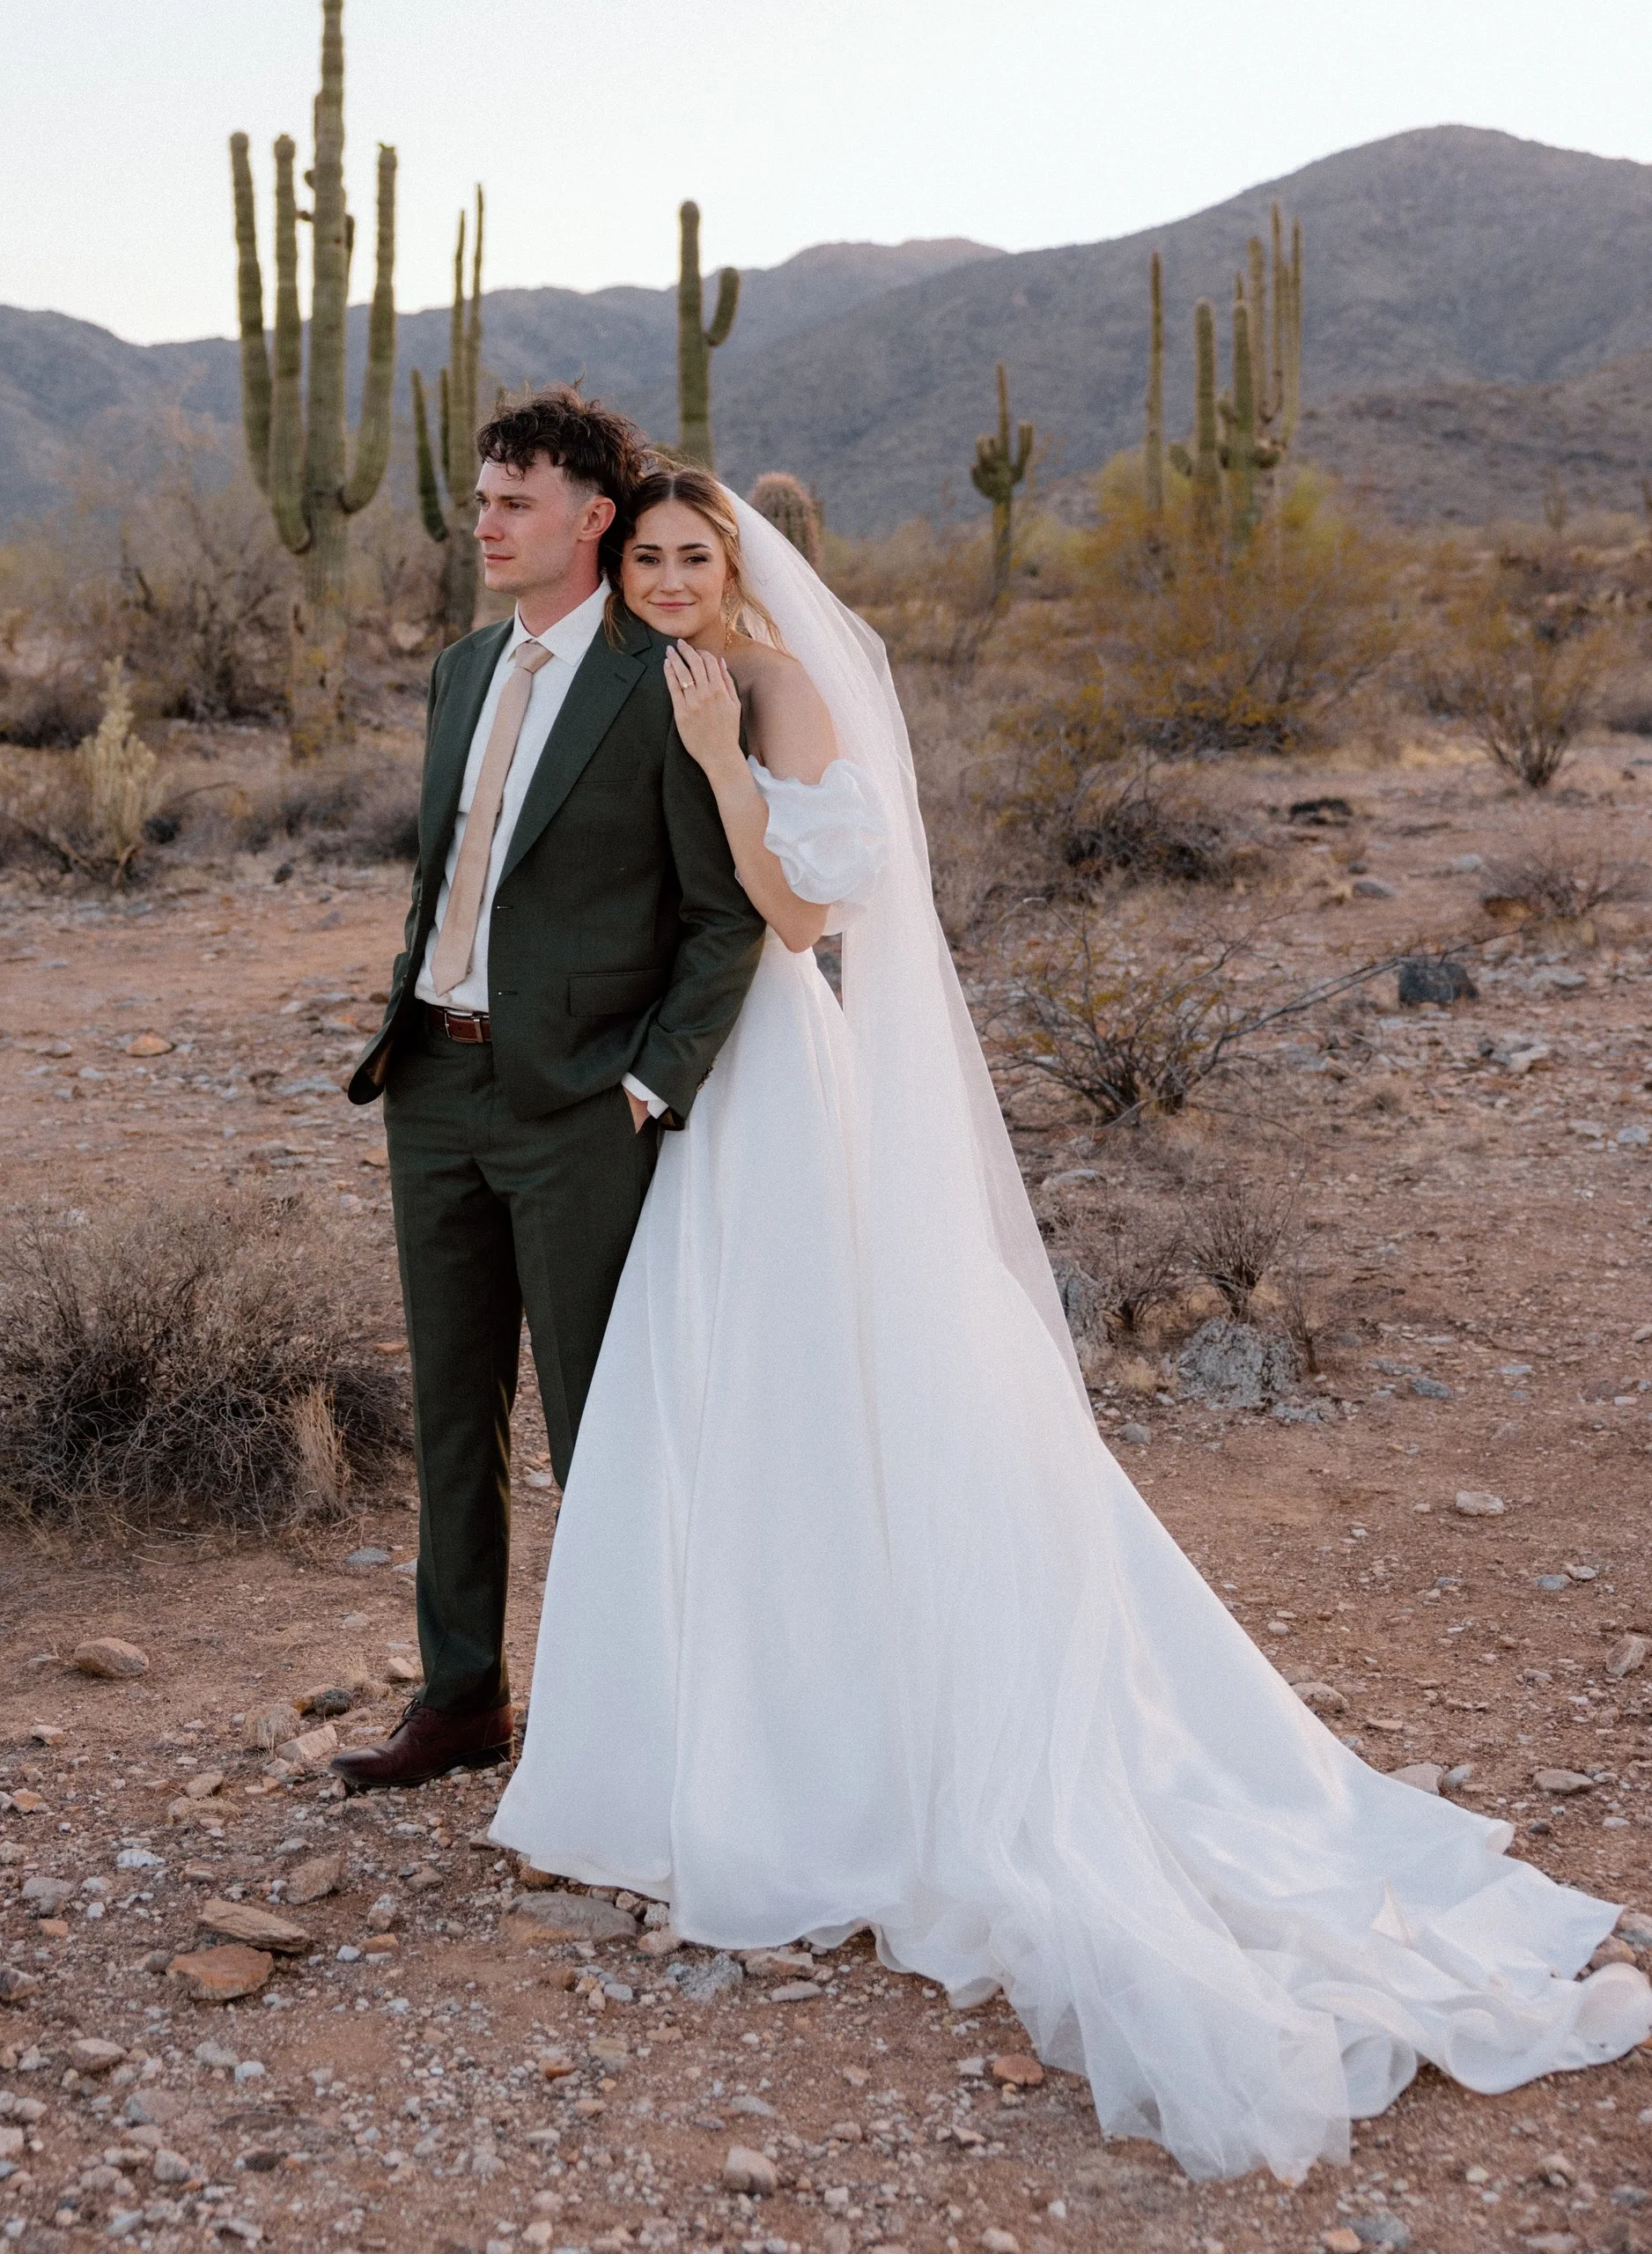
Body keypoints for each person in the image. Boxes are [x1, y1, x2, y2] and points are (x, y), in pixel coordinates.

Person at [492, 465, 1652, 2185]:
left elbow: (807, 913)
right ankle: (715, 1736)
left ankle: (839, 1754)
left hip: (787, 1087)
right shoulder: (658, 675)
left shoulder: (777, 688)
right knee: (725, 1401)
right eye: (643, 553)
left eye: (689, 553)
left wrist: (728, 765)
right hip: (716, 1092)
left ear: (730, 565)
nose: (663, 575)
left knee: (824, 1390)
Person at [337, 395, 764, 1795]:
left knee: (595, 1425)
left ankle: (622, 1721)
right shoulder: (464, 669)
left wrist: (647, 1086)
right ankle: (461, 1698)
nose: (486, 520)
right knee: (453, 1414)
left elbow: (726, 917)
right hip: (433, 1088)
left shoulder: (665, 684)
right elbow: (440, 875)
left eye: (515, 500)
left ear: (593, 519)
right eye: (481, 496)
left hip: (580, 1109)